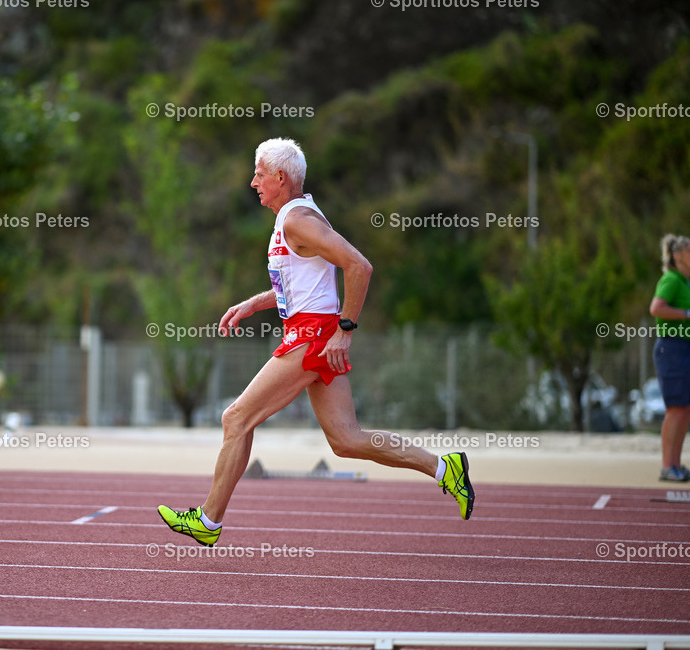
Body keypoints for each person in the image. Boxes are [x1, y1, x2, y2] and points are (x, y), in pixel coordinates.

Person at [158, 138, 474, 546]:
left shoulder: (298, 221)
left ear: (280, 177)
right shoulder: (296, 218)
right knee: (347, 440)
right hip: (313, 332)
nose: (253, 182)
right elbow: (302, 284)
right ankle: (443, 468)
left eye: (258, 174)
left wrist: (345, 330)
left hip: (313, 337)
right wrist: (254, 304)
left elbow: (359, 266)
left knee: (236, 418)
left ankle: (208, 521)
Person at [649, 234, 690, 482]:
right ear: (678, 256)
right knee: (675, 409)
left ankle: (676, 464)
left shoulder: (686, 282)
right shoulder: (672, 279)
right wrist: (686, 313)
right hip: (671, 349)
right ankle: (667, 466)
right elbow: (656, 308)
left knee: (685, 409)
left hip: (684, 348)